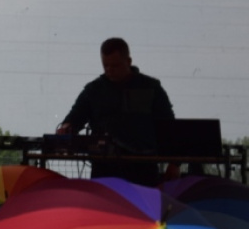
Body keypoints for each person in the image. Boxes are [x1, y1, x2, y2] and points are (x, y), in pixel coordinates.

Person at [55, 37, 174, 186]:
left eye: (115, 65)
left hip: (142, 168)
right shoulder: (94, 90)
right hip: (105, 167)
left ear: (128, 61)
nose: (109, 70)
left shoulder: (151, 88)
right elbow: (75, 116)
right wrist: (67, 126)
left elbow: (169, 127)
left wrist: (174, 163)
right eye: (105, 65)